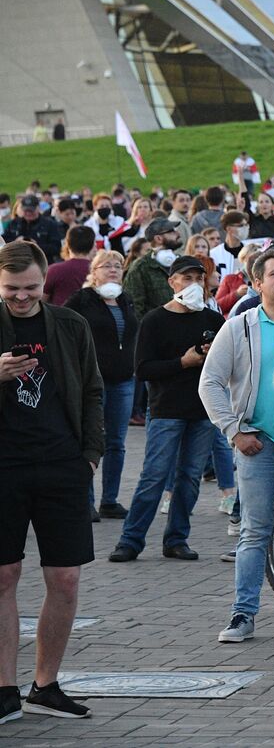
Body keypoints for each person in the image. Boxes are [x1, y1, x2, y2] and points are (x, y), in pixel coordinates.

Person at [0, 240, 103, 722]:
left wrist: (90, 457)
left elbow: (93, 391)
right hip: (5, 466)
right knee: (4, 576)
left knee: (65, 578)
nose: (21, 298)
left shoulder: (69, 324)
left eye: (30, 289)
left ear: (46, 282)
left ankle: (46, 685)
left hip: (63, 464)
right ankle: (4, 688)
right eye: (11, 290)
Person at [200, 249, 274, 644]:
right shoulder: (240, 326)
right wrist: (232, 431)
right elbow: (210, 381)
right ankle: (242, 614)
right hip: (257, 445)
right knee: (255, 531)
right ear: (257, 283)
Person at [110, 256, 224, 563]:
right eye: (186, 278)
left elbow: (229, 365)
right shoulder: (155, 320)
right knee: (155, 476)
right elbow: (143, 369)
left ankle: (177, 538)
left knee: (188, 478)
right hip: (166, 410)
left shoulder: (213, 321)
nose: (193, 284)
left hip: (202, 411)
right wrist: (182, 363)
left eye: (198, 279)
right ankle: (130, 540)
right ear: (171, 282)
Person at [64, 250, 137, 521]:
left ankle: (110, 500)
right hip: (92, 381)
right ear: (94, 271)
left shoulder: (125, 299)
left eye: (118, 265)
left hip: (123, 381)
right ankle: (85, 501)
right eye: (107, 265)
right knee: (90, 439)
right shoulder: (82, 299)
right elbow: (65, 331)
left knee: (117, 442)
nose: (114, 269)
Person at [43, 226, 94, 307]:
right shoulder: (98, 271)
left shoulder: (54, 270)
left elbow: (41, 302)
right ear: (93, 246)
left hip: (60, 317)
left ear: (67, 244)